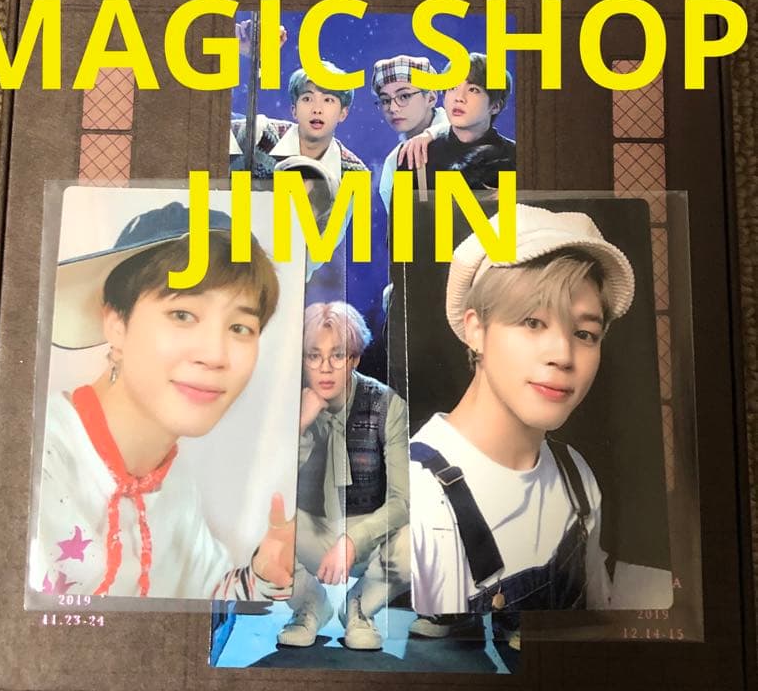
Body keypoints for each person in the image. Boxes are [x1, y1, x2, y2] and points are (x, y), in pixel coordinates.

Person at [32, 201, 296, 601]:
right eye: (183, 315)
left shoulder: (175, 487)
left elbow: (208, 603)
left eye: (240, 327)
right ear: (116, 323)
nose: (215, 354)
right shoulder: (36, 458)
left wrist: (262, 577)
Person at [410, 204, 634, 629]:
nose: (563, 355)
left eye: (584, 333)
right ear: (476, 329)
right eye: (533, 322)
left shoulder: (575, 474)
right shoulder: (420, 497)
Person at [278, 302, 410, 651]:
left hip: (367, 531)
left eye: (337, 355)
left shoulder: (387, 404)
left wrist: (354, 540)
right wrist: (299, 427)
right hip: (309, 530)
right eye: (314, 356)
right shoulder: (286, 402)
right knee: (252, 525)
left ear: (354, 359)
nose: (325, 368)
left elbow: (403, 500)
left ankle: (359, 608)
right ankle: (309, 604)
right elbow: (265, 492)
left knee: (420, 540)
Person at [396, 52, 514, 192]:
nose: (459, 98)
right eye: (452, 88)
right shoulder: (416, 153)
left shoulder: (517, 158)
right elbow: (400, 206)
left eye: (473, 89)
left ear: (495, 106)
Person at [232, 61, 367, 181]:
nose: (317, 109)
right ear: (294, 110)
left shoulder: (353, 172)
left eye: (328, 100)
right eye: (307, 99)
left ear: (343, 113)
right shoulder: (260, 134)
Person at [370, 54, 448, 213]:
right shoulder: (393, 163)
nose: (393, 108)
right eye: (385, 100)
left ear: (431, 98)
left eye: (404, 96)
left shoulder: (464, 133)